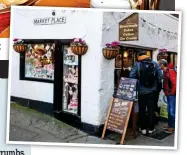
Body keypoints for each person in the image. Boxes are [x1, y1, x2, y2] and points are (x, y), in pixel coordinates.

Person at [129, 50, 162, 134]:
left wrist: (138, 83)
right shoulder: (154, 63)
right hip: (152, 91)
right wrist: (154, 83)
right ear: (147, 55)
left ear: (139, 56)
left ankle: (143, 128)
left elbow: (131, 76)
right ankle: (151, 128)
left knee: (142, 109)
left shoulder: (137, 64)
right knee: (151, 109)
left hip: (141, 91)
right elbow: (160, 75)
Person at [159, 59, 177, 133]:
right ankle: (170, 125)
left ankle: (172, 127)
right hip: (169, 94)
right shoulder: (165, 71)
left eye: (159, 64)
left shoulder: (170, 71)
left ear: (162, 65)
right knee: (169, 110)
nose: (158, 66)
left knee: (171, 111)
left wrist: (171, 93)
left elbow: (175, 84)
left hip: (171, 95)